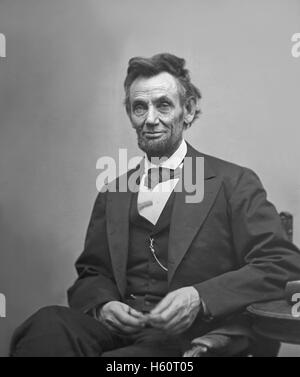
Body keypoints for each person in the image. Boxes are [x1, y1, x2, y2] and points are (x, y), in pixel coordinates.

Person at [10, 53, 300, 357]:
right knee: (47, 324)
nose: (150, 119)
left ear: (187, 111)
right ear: (130, 115)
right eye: (140, 107)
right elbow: (92, 271)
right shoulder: (114, 190)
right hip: (120, 333)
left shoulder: (234, 182)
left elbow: (282, 263)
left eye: (163, 104)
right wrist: (103, 305)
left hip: (190, 339)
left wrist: (201, 297)